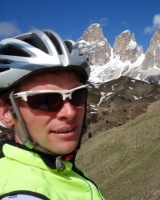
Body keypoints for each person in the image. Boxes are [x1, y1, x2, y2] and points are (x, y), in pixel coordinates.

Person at [0, 28, 105, 200]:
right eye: (46, 100)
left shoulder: (60, 168)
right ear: (6, 112)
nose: (69, 112)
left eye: (77, 95)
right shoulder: (21, 194)